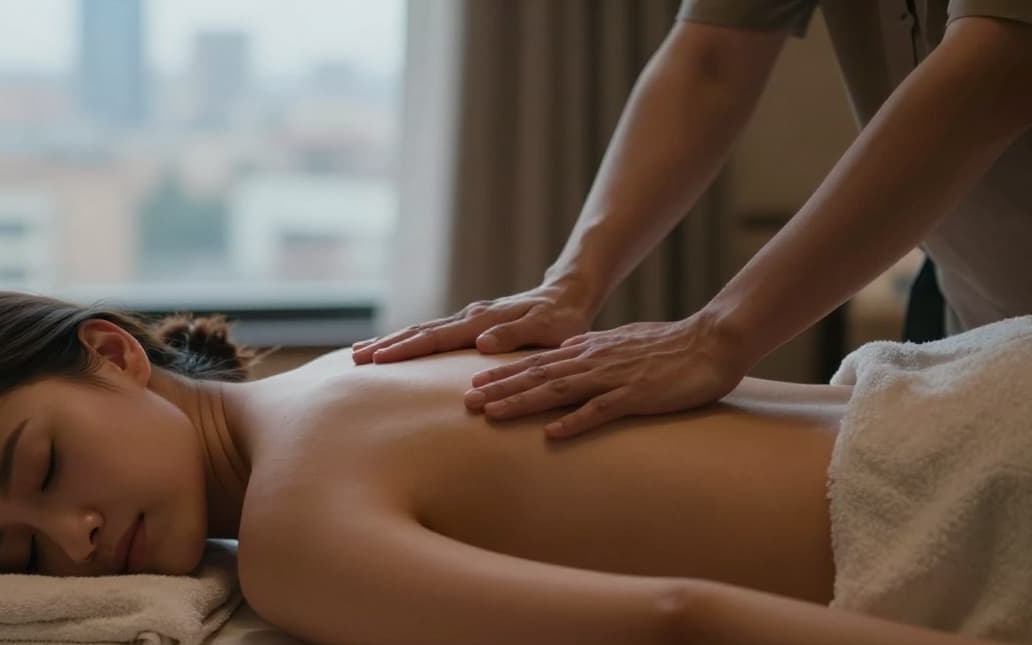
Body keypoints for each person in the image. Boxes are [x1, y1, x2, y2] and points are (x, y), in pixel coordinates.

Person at [0, 291, 1032, 645]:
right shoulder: (368, 363)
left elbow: (676, 627)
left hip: (973, 492)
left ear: (112, 356)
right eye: (19, 558)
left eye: (46, 471)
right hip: (970, 383)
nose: (75, 543)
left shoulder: (294, 538)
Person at [353, 2, 1032, 439]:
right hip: (981, 326)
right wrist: (569, 284)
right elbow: (710, 59)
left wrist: (717, 336)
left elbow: (998, 64)